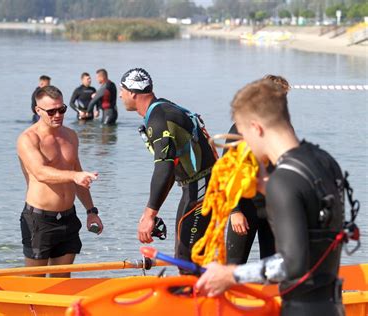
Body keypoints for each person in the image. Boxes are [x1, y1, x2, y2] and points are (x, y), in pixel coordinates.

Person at [196, 78, 346, 315]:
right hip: (331, 305)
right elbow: (315, 235)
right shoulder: (324, 162)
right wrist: (263, 186)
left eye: (243, 133)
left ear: (256, 128)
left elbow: (292, 264)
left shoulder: (283, 182)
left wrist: (231, 274)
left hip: (301, 308)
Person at [119, 68, 218, 272]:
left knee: (187, 255)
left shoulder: (159, 118)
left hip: (203, 186)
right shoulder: (162, 109)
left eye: (122, 90)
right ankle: (199, 297)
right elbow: (171, 168)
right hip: (198, 185)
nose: (120, 95)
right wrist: (153, 212)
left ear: (132, 93)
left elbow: (164, 169)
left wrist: (148, 216)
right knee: (188, 254)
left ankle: (196, 301)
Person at [17, 85, 104, 278]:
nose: (58, 114)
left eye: (62, 109)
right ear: (37, 110)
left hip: (67, 217)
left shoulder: (70, 136)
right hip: (39, 220)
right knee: (35, 282)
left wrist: (91, 211)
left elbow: (79, 177)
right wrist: (74, 175)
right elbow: (40, 173)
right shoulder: (28, 139)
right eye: (51, 111)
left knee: (62, 280)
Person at [225, 74, 289, 264]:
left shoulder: (282, 127)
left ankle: (268, 294)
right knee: (234, 266)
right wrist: (235, 211)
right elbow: (228, 171)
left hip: (272, 208)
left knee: (272, 268)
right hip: (245, 207)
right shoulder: (241, 128)